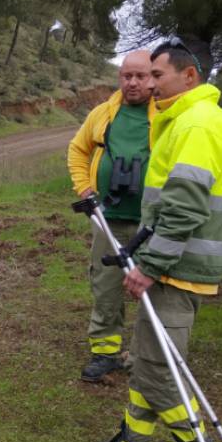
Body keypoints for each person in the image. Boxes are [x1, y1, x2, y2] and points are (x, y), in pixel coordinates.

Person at [94, 38, 222, 442]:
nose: (150, 84)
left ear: (189, 76)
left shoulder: (198, 124)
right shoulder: (186, 120)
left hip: (178, 267)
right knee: (150, 364)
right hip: (176, 263)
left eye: (158, 75)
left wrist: (150, 265)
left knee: (157, 370)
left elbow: (183, 209)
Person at [67, 50, 156, 382]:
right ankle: (105, 353)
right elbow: (78, 149)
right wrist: (84, 188)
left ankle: (145, 356)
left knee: (155, 287)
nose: (132, 82)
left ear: (154, 77)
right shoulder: (103, 114)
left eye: (141, 76)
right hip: (108, 217)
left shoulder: (164, 116)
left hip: (150, 221)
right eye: (126, 75)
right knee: (105, 286)